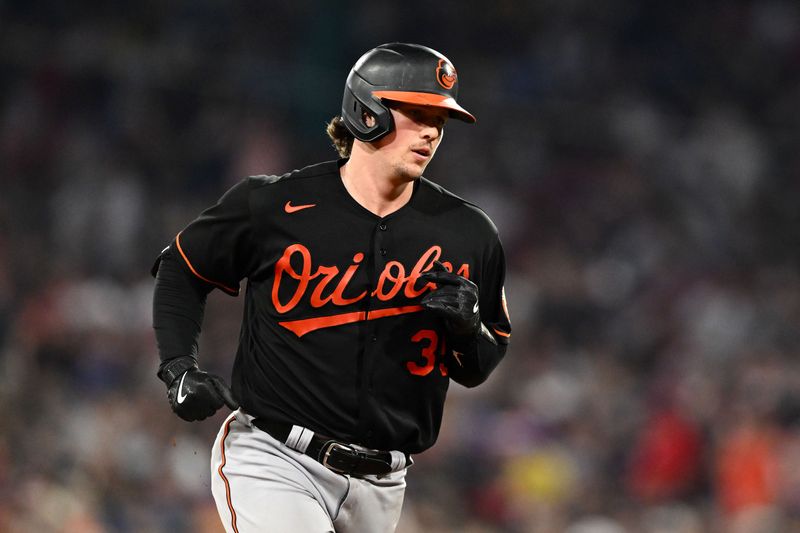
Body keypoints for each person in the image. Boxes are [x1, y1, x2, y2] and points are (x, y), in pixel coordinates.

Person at [151, 42, 511, 533]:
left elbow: (480, 366)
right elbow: (181, 268)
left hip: (385, 486)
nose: (431, 131)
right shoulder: (275, 204)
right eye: (417, 112)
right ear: (367, 112)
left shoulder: (469, 233)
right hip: (275, 458)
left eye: (440, 120)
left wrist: (470, 333)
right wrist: (178, 367)